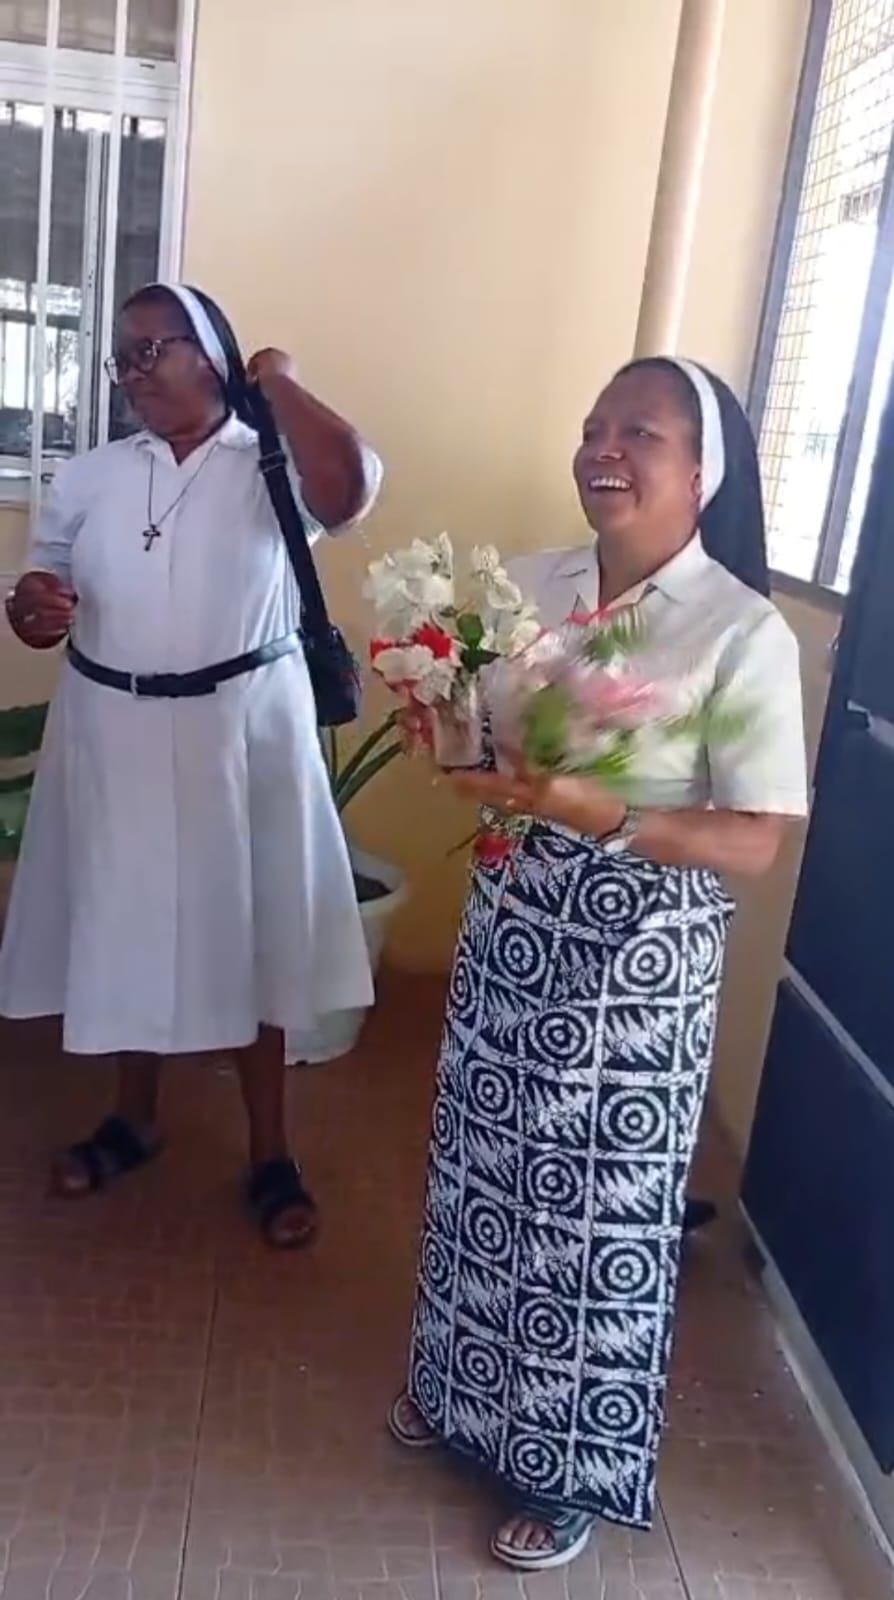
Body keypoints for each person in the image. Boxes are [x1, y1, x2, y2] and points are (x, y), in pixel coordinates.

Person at [387, 357, 807, 1571]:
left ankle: (567, 1464)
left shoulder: (740, 630)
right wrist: (442, 728)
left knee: (590, 1209)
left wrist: (602, 812)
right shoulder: (529, 587)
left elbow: (757, 838)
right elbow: (490, 755)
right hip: (515, 917)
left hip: (639, 960)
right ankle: (456, 1390)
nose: (602, 448)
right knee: (480, 1168)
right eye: (593, 427)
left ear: (703, 471)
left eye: (640, 432)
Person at [1, 282, 382, 1249]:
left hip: (241, 730)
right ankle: (133, 1119)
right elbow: (41, 585)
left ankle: (271, 1152)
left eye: (153, 349)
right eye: (122, 356)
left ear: (211, 352)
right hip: (113, 726)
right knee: (123, 913)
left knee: (252, 925)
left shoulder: (271, 463)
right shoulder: (92, 475)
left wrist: (277, 384)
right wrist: (34, 605)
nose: (132, 373)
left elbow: (348, 492)